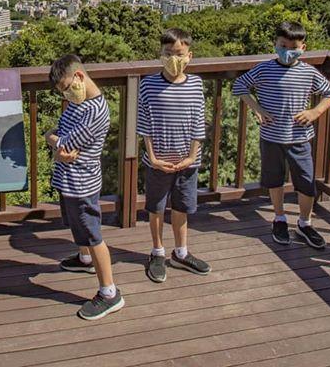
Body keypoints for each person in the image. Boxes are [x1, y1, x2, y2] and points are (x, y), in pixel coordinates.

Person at [231, 21, 330, 248]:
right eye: (283, 45)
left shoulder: (308, 72)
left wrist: (315, 111)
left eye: (293, 47)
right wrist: (258, 109)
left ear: (303, 47)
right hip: (271, 136)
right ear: (276, 44)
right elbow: (239, 85)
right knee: (274, 179)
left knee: (306, 182)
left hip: (300, 137)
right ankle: (279, 218)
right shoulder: (264, 69)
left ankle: (305, 222)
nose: (287, 51)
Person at [46, 54, 124, 320]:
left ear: (79, 77)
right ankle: (84, 259)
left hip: (82, 184)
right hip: (70, 180)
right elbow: (61, 137)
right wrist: (56, 141)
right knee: (77, 225)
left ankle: (109, 293)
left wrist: (53, 140)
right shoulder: (76, 103)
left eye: (66, 87)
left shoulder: (94, 111)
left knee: (93, 235)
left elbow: (64, 145)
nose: (66, 95)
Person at [137, 27, 211, 283]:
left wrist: (192, 156)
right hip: (157, 161)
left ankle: (181, 251)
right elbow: (143, 125)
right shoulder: (148, 84)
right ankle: (157, 251)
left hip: (188, 162)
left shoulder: (196, 84)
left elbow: (198, 124)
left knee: (182, 206)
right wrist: (153, 157)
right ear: (160, 54)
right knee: (156, 208)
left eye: (179, 53)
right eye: (168, 53)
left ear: (189, 55)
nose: (173, 59)